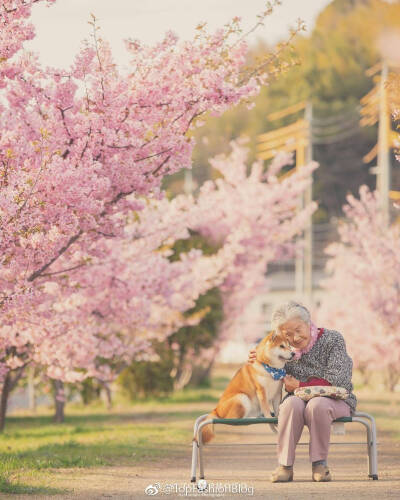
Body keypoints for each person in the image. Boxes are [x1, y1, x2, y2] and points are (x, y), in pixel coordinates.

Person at [247, 300, 357, 483]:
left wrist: (300, 386)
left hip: (335, 399)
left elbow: (338, 379)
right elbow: (266, 371)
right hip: (297, 400)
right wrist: (258, 359)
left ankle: (319, 464)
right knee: (290, 404)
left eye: (298, 330)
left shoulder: (333, 339)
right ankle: (285, 466)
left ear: (308, 323)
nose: (295, 338)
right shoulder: (285, 351)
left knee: (317, 404)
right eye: (288, 334)